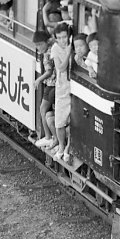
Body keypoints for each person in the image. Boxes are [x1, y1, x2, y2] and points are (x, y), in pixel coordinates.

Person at [50, 22, 73, 163]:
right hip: (62, 87)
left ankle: (68, 147)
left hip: (73, 86)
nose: (62, 40)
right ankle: (61, 145)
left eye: (64, 37)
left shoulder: (73, 45)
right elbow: (61, 67)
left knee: (73, 120)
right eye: (59, 38)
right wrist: (69, 51)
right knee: (59, 121)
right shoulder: (55, 48)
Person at [33, 31, 57, 151]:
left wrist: (38, 79)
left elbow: (49, 71)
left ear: (46, 42)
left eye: (39, 44)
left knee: (43, 109)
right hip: (54, 85)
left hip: (51, 85)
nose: (38, 48)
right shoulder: (53, 48)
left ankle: (48, 137)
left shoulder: (47, 54)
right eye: (36, 45)